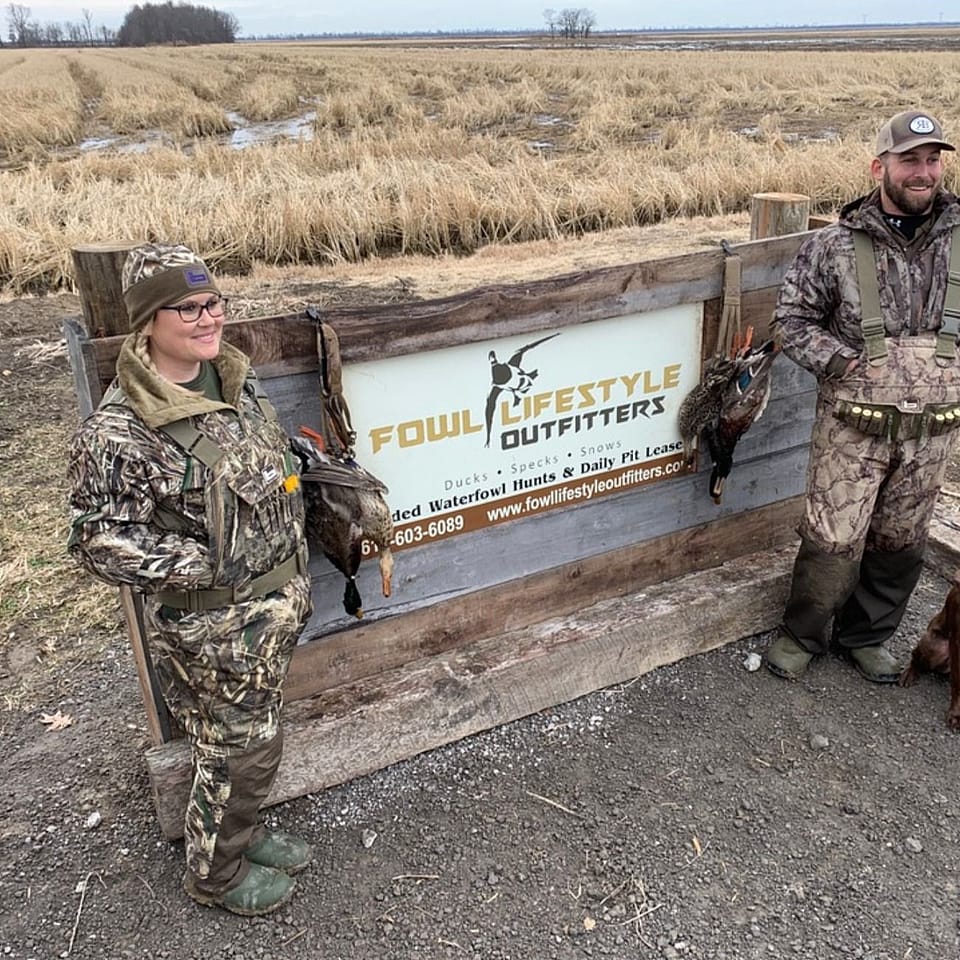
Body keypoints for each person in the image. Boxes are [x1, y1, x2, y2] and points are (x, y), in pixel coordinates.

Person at [67, 243, 314, 916]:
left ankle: (241, 834)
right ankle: (216, 876)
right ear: (148, 321)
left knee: (251, 740)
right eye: (187, 308)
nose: (209, 319)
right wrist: (205, 565)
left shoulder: (234, 379)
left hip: (271, 614)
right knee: (240, 751)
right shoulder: (120, 431)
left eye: (213, 302)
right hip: (212, 626)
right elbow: (96, 540)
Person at [765, 109, 960, 683]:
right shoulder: (833, 246)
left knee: (902, 539)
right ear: (880, 167)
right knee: (833, 537)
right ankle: (802, 635)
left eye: (933, 160)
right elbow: (790, 320)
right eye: (909, 160)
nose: (923, 172)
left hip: (934, 427)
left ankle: (867, 637)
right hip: (852, 422)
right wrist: (843, 361)